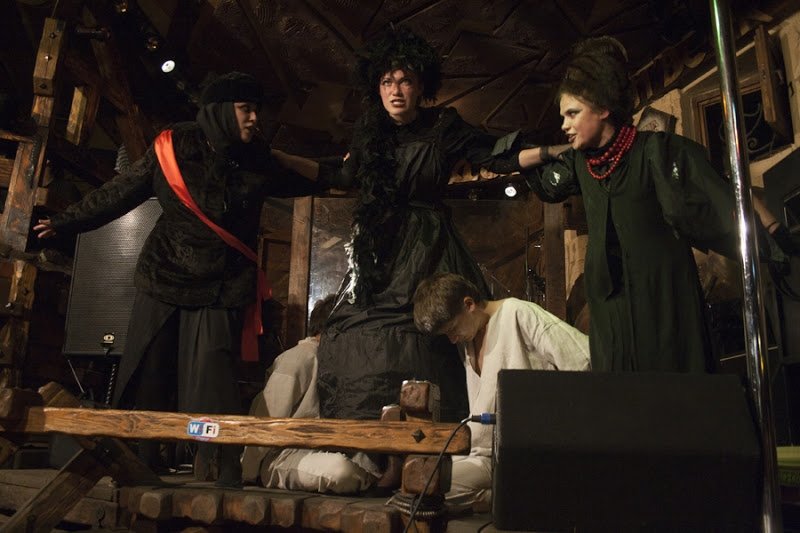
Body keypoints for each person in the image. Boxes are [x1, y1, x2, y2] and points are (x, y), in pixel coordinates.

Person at [35, 71, 328, 486]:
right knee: (149, 377)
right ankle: (140, 463)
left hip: (221, 288)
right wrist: (65, 221)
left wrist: (352, 169)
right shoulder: (174, 146)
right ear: (221, 111)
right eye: (246, 109)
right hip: (165, 278)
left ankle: (219, 469)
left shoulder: (257, 158)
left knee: (212, 387)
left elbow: (317, 177)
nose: (254, 118)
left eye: (256, 110)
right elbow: (120, 191)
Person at [316, 27, 561, 423]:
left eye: (405, 81)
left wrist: (554, 151)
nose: (396, 90)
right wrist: (278, 159)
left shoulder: (443, 126)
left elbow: (495, 155)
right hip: (379, 246)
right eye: (387, 81)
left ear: (420, 86)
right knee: (357, 326)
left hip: (427, 244)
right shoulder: (368, 133)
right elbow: (342, 177)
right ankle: (367, 431)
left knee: (436, 327)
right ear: (376, 87)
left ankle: (442, 429)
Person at [525, 36, 741, 373]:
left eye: (572, 113)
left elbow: (719, 203)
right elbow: (539, 178)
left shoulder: (656, 150)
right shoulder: (581, 163)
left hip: (663, 302)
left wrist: (771, 233)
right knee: (621, 394)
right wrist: (548, 151)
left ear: (603, 108)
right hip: (610, 312)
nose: (564, 125)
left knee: (671, 387)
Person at [412, 272, 590, 512]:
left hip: (522, 455)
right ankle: (512, 497)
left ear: (469, 304)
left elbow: (582, 357)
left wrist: (555, 423)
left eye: (453, 329)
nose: (452, 339)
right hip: (482, 455)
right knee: (418, 481)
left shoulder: (517, 313)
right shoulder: (468, 338)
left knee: (434, 489)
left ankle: (522, 495)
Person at [241, 294, 380, 493]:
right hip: (283, 456)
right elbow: (266, 416)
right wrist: (248, 472)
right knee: (340, 470)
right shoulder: (298, 358)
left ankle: (370, 479)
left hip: (323, 448)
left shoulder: (338, 361)